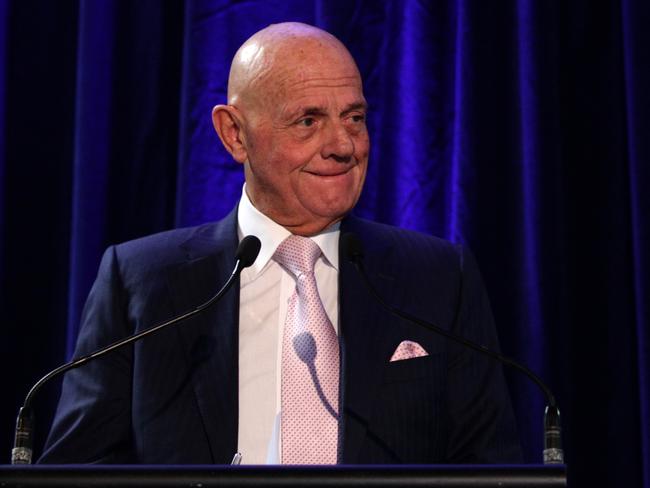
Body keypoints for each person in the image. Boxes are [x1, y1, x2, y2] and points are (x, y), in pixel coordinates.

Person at [40, 22, 521, 465]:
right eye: (308, 121)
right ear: (235, 135)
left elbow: (488, 468)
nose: (343, 144)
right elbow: (79, 473)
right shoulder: (143, 283)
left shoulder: (438, 279)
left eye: (353, 117)